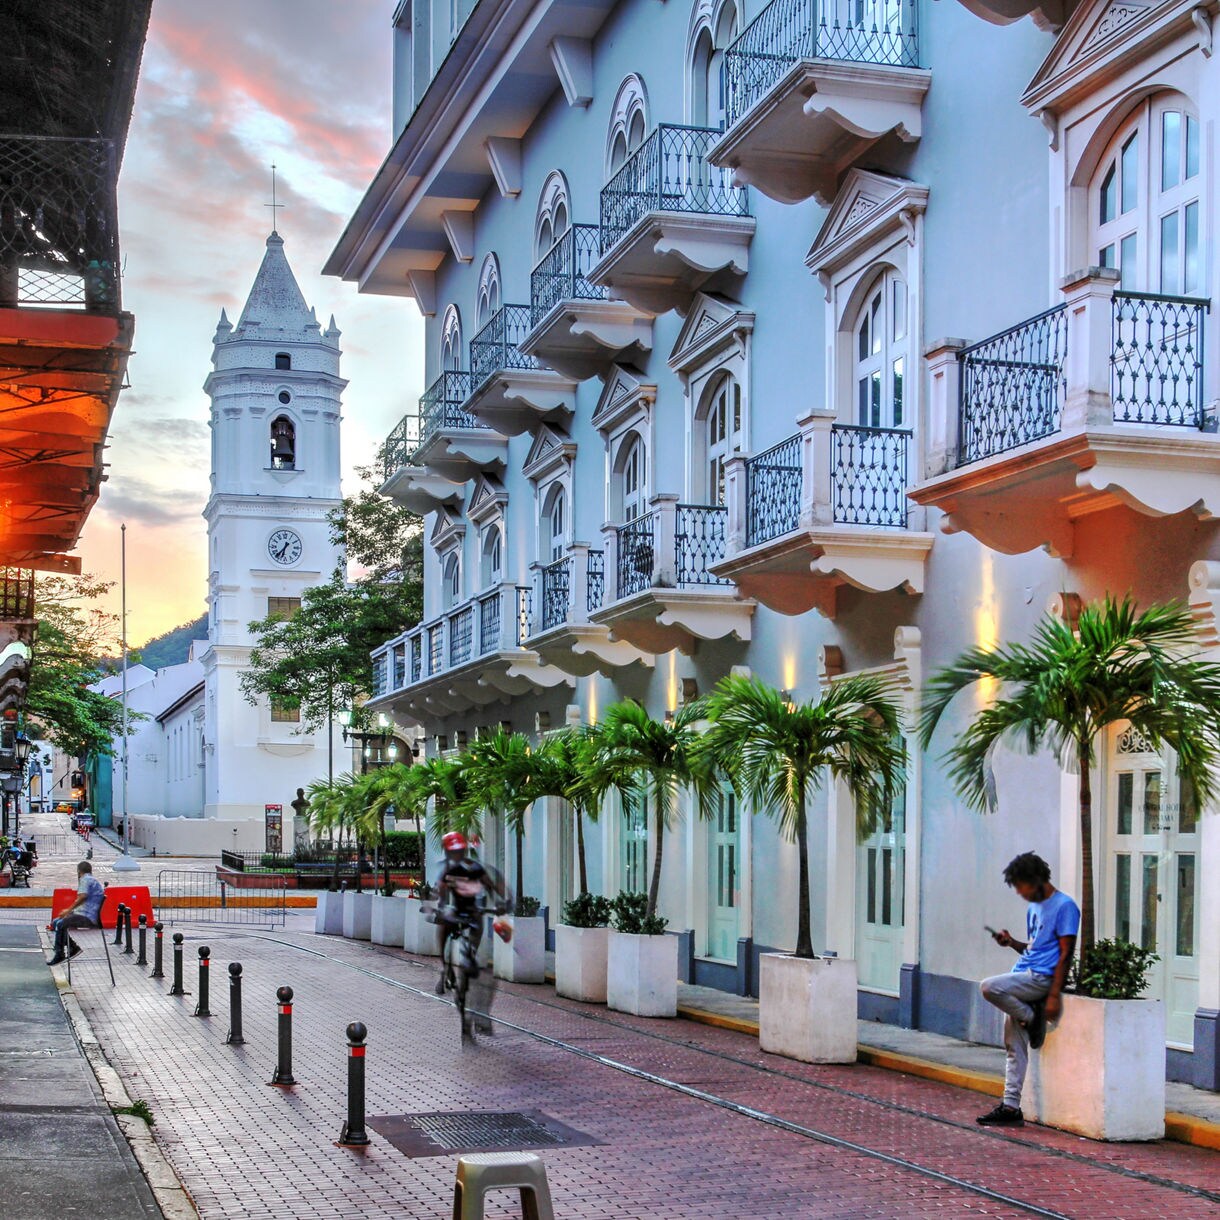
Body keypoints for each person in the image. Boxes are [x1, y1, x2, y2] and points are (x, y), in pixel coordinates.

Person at [977, 851, 1079, 1127]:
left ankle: (1032, 1017)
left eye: (1022, 887)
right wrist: (1011, 943)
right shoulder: (1033, 907)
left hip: (1041, 979)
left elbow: (1065, 953)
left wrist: (1054, 995)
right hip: (1024, 974)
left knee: (987, 987)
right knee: (1013, 1046)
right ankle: (1011, 1107)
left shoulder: (1065, 906)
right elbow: (1034, 949)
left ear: (1036, 880)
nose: (1020, 894)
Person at [432, 831, 505, 996]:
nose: (457, 855)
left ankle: (470, 957)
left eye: (460, 851)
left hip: (473, 911)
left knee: (477, 927)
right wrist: (440, 907)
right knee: (443, 927)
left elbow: (491, 886)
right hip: (455, 910)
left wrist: (500, 902)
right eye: (453, 852)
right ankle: (444, 967)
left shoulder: (475, 868)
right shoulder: (447, 870)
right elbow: (441, 890)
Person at [48, 860, 106, 965]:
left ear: (79, 871)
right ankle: (73, 947)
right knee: (56, 922)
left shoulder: (85, 880)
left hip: (87, 917)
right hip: (86, 914)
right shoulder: (93, 880)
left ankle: (59, 953)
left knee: (60, 923)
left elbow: (83, 897)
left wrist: (68, 911)